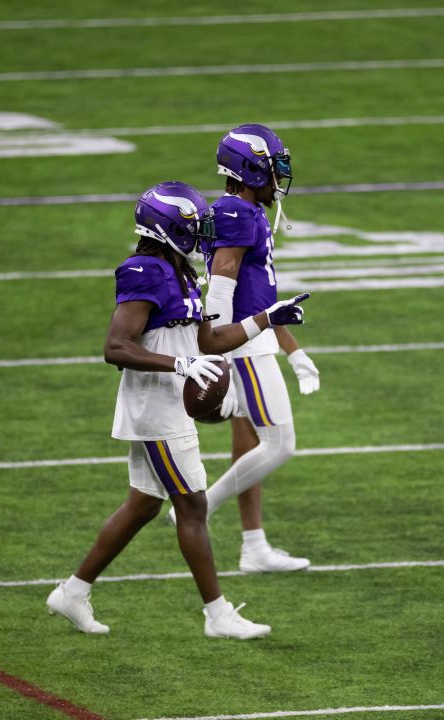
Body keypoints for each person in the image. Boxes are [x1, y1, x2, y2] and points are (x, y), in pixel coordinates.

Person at [46, 181, 310, 639]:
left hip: (168, 401)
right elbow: (115, 346)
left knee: (144, 505)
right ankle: (217, 614)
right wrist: (180, 363)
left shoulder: (181, 272)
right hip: (156, 407)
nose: (202, 232)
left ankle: (72, 592)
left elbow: (209, 341)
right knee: (193, 507)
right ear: (167, 227)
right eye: (192, 225)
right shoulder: (144, 271)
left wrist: (268, 318)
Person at [169, 124, 320, 574]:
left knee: (259, 442)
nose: (281, 175)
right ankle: (195, 508)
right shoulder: (238, 214)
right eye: (275, 167)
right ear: (251, 170)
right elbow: (220, 290)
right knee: (279, 444)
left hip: (254, 339)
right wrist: (217, 347)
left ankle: (253, 548)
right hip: (243, 347)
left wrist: (293, 351)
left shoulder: (244, 212)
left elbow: (259, 298)